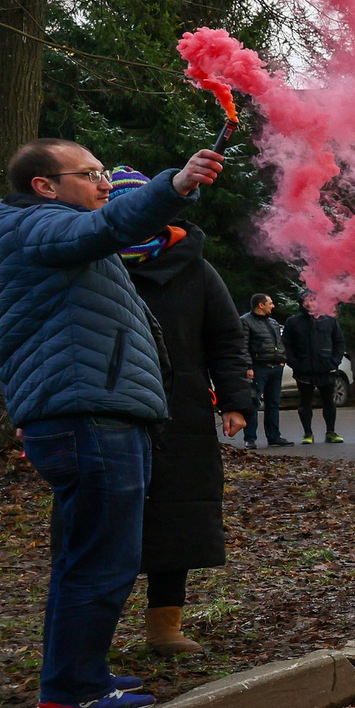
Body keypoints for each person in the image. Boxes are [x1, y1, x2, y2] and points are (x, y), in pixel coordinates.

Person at [0, 138, 225, 708]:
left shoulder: (44, 228)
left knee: (87, 555)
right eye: (90, 174)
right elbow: (106, 228)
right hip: (89, 415)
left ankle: (75, 676)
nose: (105, 182)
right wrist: (175, 184)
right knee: (103, 560)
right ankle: (73, 691)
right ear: (45, 185)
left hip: (94, 412)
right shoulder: (34, 226)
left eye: (104, 172)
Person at [107, 166, 250, 657]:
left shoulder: (195, 267)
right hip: (110, 407)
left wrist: (234, 400)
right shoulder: (95, 262)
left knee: (177, 518)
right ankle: (95, 632)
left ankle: (164, 627)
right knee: (109, 520)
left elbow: (227, 339)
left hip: (183, 409)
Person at [281, 295, 346, 445]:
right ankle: (307, 433)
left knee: (329, 401)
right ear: (301, 303)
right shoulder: (293, 322)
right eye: (306, 301)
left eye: (313, 300)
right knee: (305, 403)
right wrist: (295, 364)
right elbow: (287, 345)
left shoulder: (329, 320)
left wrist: (334, 362)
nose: (310, 303)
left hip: (326, 369)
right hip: (303, 371)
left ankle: (331, 432)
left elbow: (339, 342)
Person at [238, 292, 288, 447]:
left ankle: (274, 437)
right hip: (258, 368)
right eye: (270, 303)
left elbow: (279, 343)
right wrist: (248, 366)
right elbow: (243, 346)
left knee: (273, 403)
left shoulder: (273, 322)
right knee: (253, 402)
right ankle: (250, 438)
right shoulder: (245, 321)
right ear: (261, 305)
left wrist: (281, 359)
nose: (273, 306)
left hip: (274, 368)